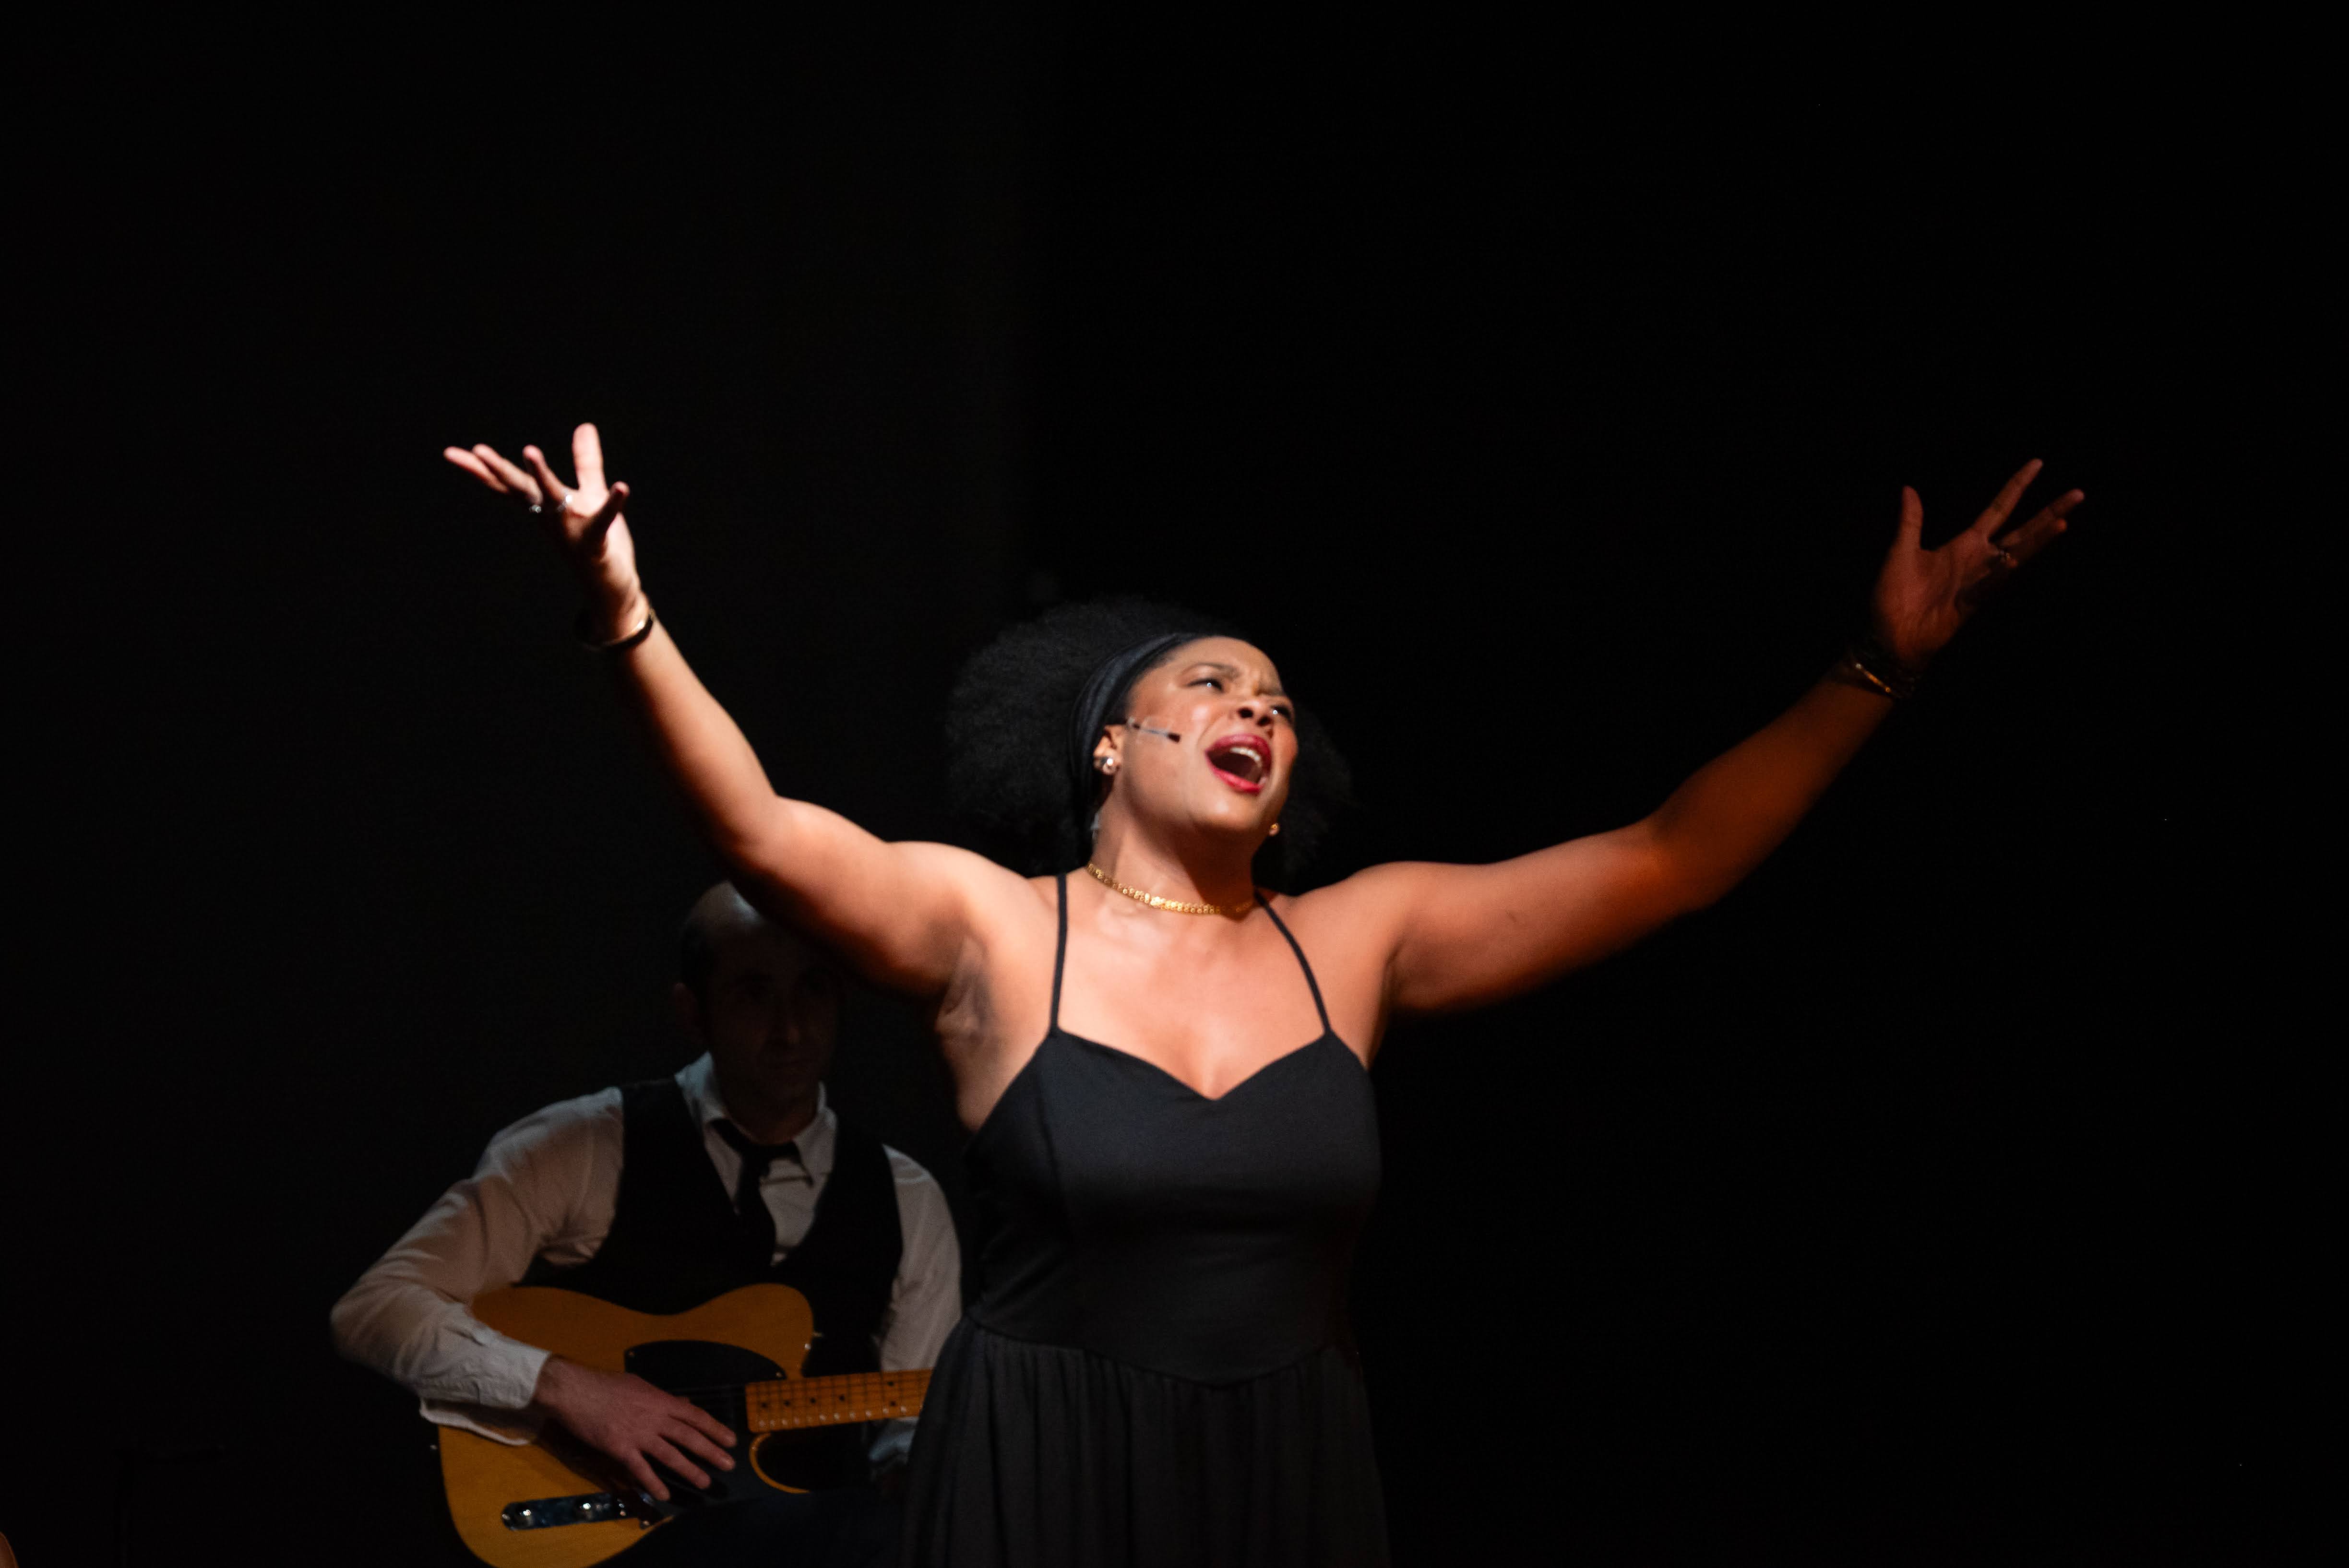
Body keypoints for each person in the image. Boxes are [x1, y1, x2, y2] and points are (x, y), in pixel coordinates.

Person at [443, 424, 2080, 1567]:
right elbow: (756, 825)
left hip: (1287, 1468)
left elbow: (1672, 856)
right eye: (1212, 684)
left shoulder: (1356, 938)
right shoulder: (996, 927)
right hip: (1041, 1471)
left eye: (1279, 702)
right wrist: (624, 614)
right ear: (1112, 743)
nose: (1258, 709)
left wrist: (1876, 666)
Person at [331, 884, 962, 1568]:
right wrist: (569, 1390)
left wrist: (921, 1470)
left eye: (813, 989)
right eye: (753, 993)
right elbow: (374, 1310)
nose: (791, 1028)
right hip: (619, 1535)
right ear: (693, 1012)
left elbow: (910, 1431)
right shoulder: (584, 1147)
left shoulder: (907, 1197)